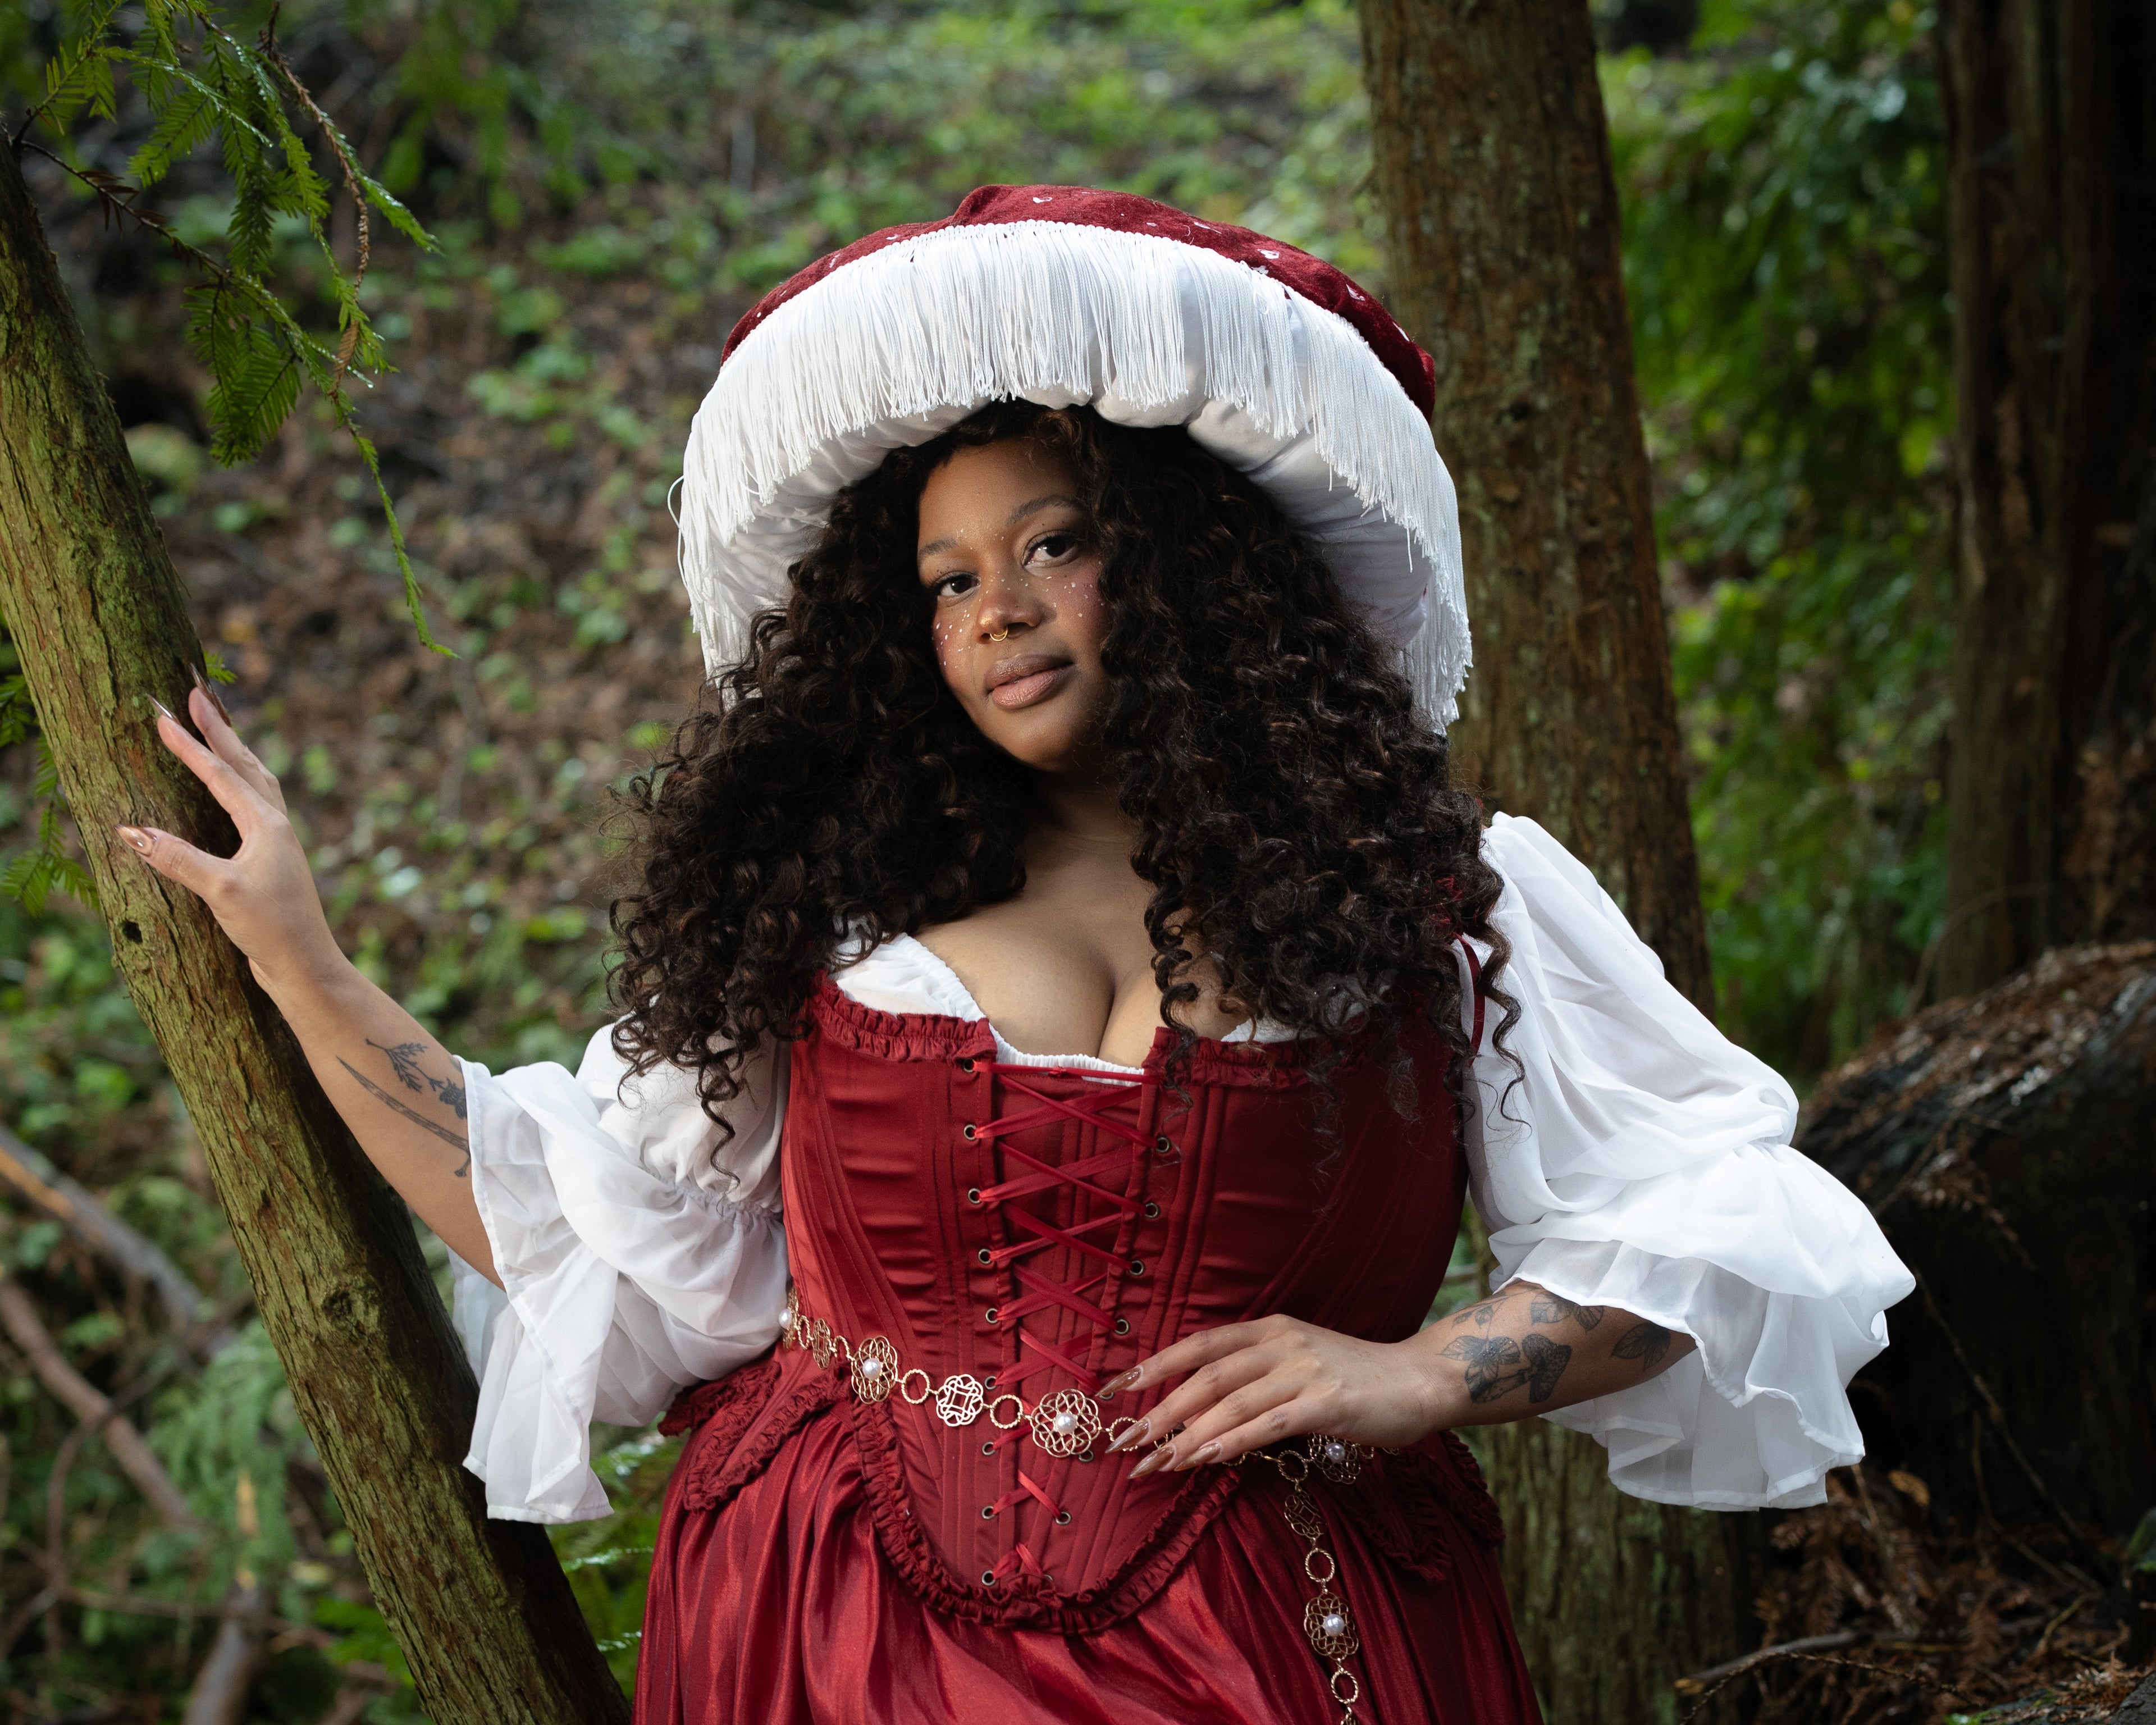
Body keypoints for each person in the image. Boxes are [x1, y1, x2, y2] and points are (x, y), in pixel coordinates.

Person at [118, 186, 1913, 1723]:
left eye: (1056, 545)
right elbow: (600, 1246)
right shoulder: (833, 921)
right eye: (948, 579)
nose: (1000, 612)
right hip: (824, 1615)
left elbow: (1713, 1221)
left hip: (1281, 1626)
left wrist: (1426, 1373)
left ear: (1190, 568)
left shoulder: (1443, 903)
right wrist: (298, 954)